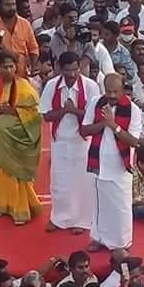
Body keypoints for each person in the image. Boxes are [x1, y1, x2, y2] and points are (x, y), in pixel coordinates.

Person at [39, 51, 100, 234]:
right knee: (60, 181)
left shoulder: (90, 86)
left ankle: (82, 221)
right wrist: (64, 111)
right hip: (60, 141)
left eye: (76, 70)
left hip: (83, 141)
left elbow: (95, 116)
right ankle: (59, 218)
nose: (73, 74)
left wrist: (74, 111)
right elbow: (46, 115)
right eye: (68, 70)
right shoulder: (52, 85)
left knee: (83, 182)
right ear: (60, 68)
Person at [81, 73, 143, 253]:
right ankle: (98, 238)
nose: (112, 95)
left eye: (116, 92)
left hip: (120, 167)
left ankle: (121, 244)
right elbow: (84, 130)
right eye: (108, 91)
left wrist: (113, 125)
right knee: (99, 205)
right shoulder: (96, 103)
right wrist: (104, 123)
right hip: (98, 163)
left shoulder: (133, 110)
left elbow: (134, 141)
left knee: (120, 207)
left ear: (123, 90)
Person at [0, 50, 43, 225]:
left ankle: (21, 209)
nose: (9, 70)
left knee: (19, 172)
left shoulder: (24, 85)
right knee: (2, 168)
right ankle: (3, 205)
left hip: (21, 134)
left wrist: (10, 110)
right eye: (5, 67)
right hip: (0, 135)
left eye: (11, 66)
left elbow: (34, 111)